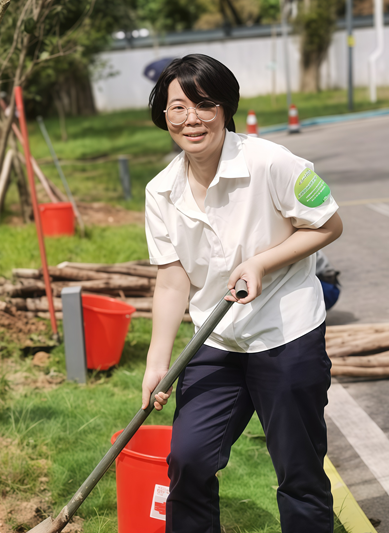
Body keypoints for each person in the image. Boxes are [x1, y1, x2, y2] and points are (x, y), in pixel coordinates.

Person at [141, 54, 343, 533]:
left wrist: (261, 261)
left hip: (286, 334)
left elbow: (329, 224)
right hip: (216, 342)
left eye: (204, 104)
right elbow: (172, 281)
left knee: (299, 471)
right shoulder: (161, 191)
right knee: (187, 461)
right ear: (163, 116)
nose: (192, 119)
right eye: (177, 108)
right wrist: (157, 364)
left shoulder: (271, 162)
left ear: (225, 108)